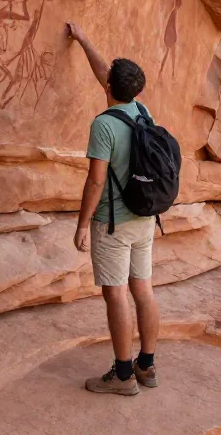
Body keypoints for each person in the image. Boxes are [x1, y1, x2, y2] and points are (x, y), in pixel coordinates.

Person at [65, 22, 159, 397]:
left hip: (113, 224)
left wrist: (82, 224)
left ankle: (122, 377)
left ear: (109, 90)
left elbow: (95, 181)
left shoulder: (104, 125)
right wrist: (85, 40)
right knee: (143, 291)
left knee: (116, 295)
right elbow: (107, 75)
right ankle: (146, 366)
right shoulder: (143, 112)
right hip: (145, 218)